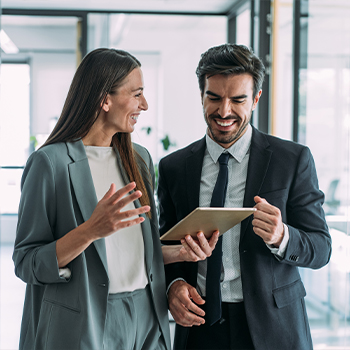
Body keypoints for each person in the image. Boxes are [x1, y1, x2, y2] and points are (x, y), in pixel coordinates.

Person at [12, 48, 219, 350]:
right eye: (136, 94)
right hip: (87, 321)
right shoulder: (50, 164)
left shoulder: (139, 159)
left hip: (146, 317)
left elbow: (133, 250)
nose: (144, 105)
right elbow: (27, 263)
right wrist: (90, 230)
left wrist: (181, 254)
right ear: (104, 99)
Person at [157, 43, 332, 350]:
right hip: (199, 328)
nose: (224, 112)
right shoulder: (173, 167)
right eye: (214, 98)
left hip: (274, 329)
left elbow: (321, 247)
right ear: (201, 96)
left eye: (238, 100)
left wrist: (282, 236)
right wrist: (174, 285)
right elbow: (166, 245)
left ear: (255, 99)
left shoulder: (292, 160)